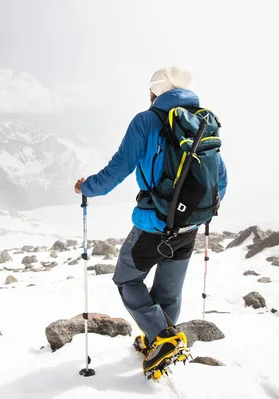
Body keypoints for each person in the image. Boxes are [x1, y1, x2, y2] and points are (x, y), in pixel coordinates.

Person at [74, 66, 228, 376]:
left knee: (127, 279)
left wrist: (86, 186)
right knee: (168, 292)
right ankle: (160, 341)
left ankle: (163, 338)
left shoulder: (146, 121)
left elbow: (117, 170)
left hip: (155, 223)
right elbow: (220, 178)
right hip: (190, 224)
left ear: (155, 91)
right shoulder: (203, 122)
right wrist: (195, 210)